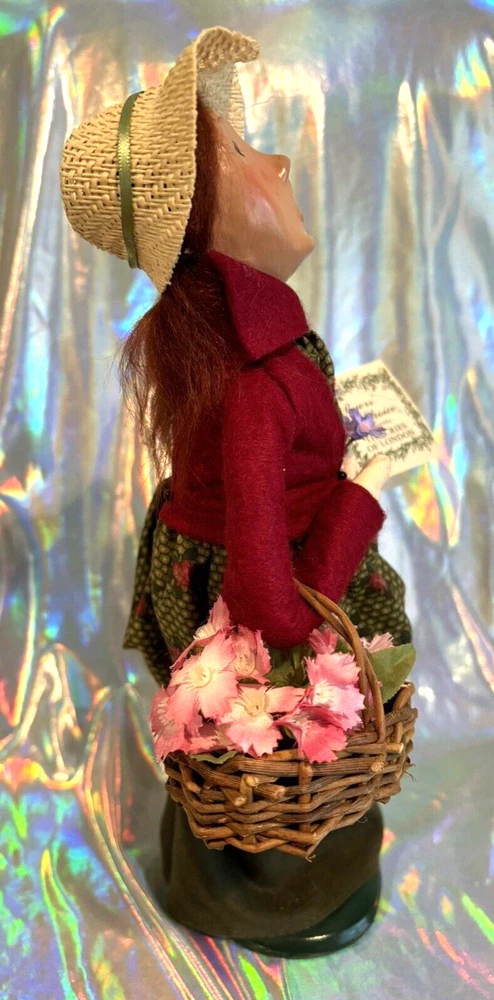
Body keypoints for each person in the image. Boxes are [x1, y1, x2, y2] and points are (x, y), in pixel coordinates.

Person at [60, 26, 412, 958]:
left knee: (256, 749)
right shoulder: (256, 383)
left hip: (218, 563)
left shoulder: (235, 349)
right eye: (249, 152)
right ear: (204, 221)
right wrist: (360, 493)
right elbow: (269, 608)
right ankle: (283, 892)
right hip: (271, 592)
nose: (282, 161)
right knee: (285, 745)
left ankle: (251, 867)